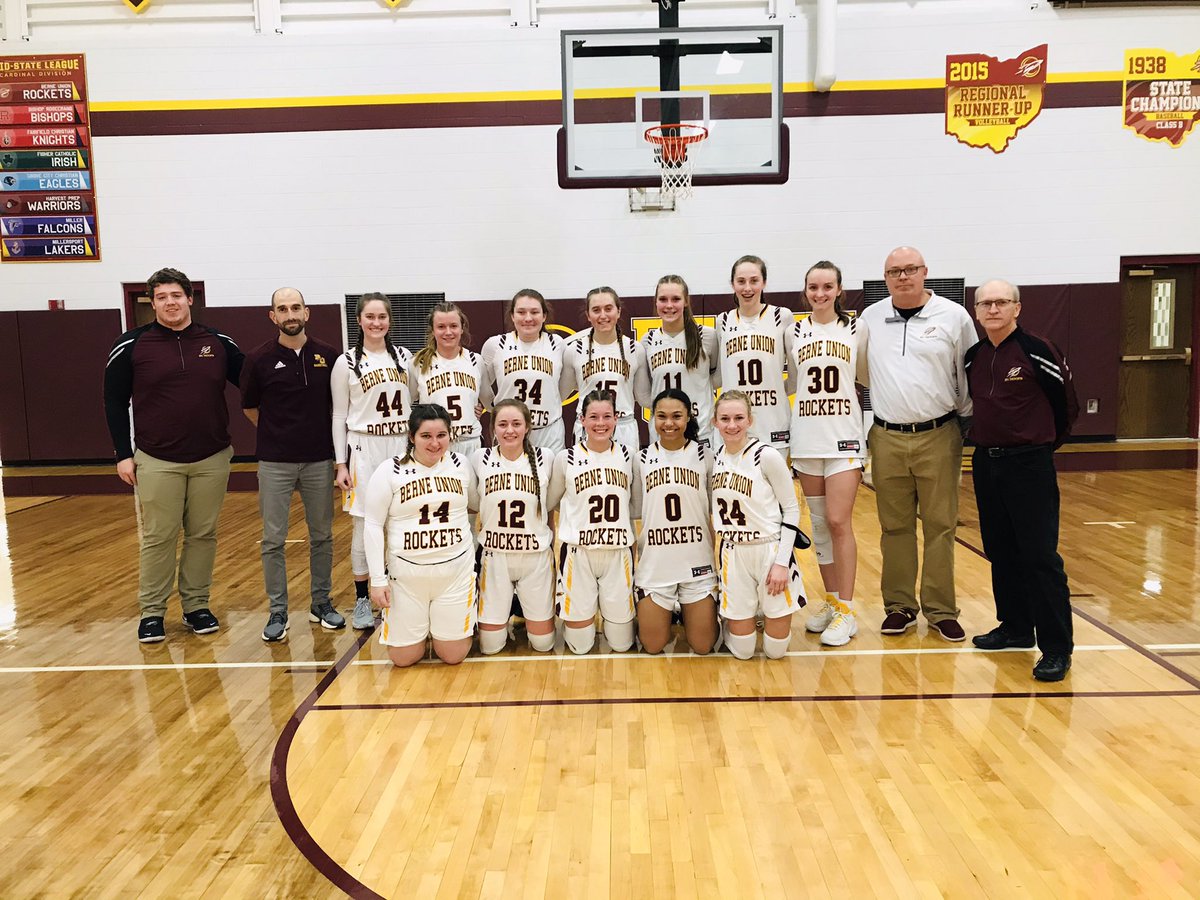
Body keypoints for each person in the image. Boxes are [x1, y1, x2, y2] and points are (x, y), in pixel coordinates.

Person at [103, 267, 243, 643]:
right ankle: (152, 612)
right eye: (161, 297)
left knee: (202, 534)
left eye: (176, 295)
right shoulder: (131, 345)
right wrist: (122, 453)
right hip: (157, 459)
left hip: (211, 458)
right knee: (159, 536)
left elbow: (255, 385)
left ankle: (196, 606)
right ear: (153, 302)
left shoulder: (217, 343)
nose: (170, 303)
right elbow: (114, 402)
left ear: (190, 298)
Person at [858, 246, 977, 641]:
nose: (902, 277)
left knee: (941, 526)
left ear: (925, 272)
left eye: (910, 269)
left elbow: (968, 372)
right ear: (885, 277)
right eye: (894, 271)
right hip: (887, 436)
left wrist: (959, 422)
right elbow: (862, 373)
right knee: (895, 527)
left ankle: (942, 609)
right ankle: (900, 606)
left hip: (940, 434)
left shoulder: (953, 316)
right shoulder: (871, 318)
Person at [966, 279, 1079, 682]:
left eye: (1001, 302)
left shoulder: (1038, 349)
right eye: (985, 303)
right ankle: (1015, 627)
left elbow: (1066, 404)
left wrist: (1041, 446)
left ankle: (1056, 648)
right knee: (1000, 549)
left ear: (1017, 308)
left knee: (1039, 556)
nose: (993, 309)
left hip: (1030, 464)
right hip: (986, 462)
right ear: (976, 311)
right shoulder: (973, 356)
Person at [240, 287, 344, 642]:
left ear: (307, 312)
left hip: (319, 460)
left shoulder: (329, 357)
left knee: (322, 536)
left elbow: (339, 407)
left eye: (295, 307)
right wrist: (278, 434)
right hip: (275, 463)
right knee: (273, 539)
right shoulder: (257, 359)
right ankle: (278, 611)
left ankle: (321, 603)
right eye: (282, 309)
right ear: (273, 316)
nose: (290, 314)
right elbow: (250, 408)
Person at [364, 403, 479, 667]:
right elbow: (372, 524)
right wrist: (378, 581)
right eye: (426, 436)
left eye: (441, 435)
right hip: (406, 577)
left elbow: (475, 504)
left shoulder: (461, 465)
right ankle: (424, 626)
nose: (435, 443)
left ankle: (441, 624)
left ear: (451, 435)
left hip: (454, 573)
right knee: (404, 659)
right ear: (411, 437)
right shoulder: (390, 470)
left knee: (453, 655)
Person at [789, 261, 866, 647]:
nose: (820, 293)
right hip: (806, 438)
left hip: (844, 439)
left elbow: (866, 375)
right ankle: (834, 603)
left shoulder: (856, 328)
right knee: (819, 526)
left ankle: (849, 610)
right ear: (806, 291)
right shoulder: (794, 331)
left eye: (827, 286)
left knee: (839, 521)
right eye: (813, 287)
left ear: (839, 289)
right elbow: (790, 376)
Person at [332, 293, 412, 630]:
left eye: (382, 317)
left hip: (400, 444)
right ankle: (362, 598)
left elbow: (419, 403)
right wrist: (340, 463)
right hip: (363, 449)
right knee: (363, 525)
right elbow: (338, 415)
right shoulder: (346, 362)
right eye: (370, 317)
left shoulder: (405, 358)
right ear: (359, 321)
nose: (376, 323)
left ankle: (398, 591)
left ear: (389, 320)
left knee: (401, 519)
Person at [710, 391, 806, 659]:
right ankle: (733, 621)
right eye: (725, 418)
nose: (732, 425)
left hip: (769, 550)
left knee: (775, 652)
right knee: (743, 651)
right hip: (733, 553)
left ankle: (754, 614)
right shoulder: (714, 459)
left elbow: (791, 509)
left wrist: (782, 563)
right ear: (715, 422)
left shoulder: (767, 456)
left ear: (750, 420)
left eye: (739, 418)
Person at [547, 388, 640, 654]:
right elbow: (551, 502)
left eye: (607, 416)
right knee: (579, 646)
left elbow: (635, 507)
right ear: (582, 420)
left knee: (622, 644)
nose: (601, 423)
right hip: (579, 554)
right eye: (594, 417)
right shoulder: (566, 458)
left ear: (616, 418)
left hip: (617, 553)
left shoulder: (629, 456)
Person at [635, 389, 719, 654]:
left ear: (688, 417)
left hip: (696, 564)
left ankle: (688, 608)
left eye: (676, 416)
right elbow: (637, 511)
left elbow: (712, 511)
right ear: (652, 418)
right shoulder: (641, 459)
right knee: (652, 645)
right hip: (656, 565)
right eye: (661, 416)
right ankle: (669, 608)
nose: (668, 423)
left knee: (703, 645)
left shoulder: (705, 456)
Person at [472, 399, 557, 654]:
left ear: (528, 427)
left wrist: (549, 542)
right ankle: (507, 604)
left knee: (543, 644)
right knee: (490, 646)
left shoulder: (546, 458)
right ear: (493, 428)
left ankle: (519, 604)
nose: (510, 430)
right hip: (495, 557)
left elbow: (549, 506)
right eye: (503, 424)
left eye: (516, 424)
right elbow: (474, 505)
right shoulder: (479, 458)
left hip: (535, 557)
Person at [715, 255, 795, 452]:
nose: (747, 288)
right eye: (741, 281)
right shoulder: (723, 321)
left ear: (764, 282)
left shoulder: (782, 316)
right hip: (734, 425)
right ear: (732, 284)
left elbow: (795, 378)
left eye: (754, 281)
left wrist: (773, 389)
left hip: (773, 422)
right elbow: (719, 375)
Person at [481, 289, 570, 452]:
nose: (528, 318)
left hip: (549, 431)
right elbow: (481, 386)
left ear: (544, 316)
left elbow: (563, 387)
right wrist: (493, 409)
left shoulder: (557, 344)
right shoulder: (495, 345)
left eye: (534, 312)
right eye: (521, 312)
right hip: (510, 432)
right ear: (512, 316)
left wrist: (552, 402)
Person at [637, 275, 720, 448]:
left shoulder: (706, 336)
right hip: (662, 432)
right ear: (656, 303)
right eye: (663, 299)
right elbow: (645, 396)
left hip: (701, 430)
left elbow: (716, 380)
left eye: (675, 299)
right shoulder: (647, 341)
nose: (669, 305)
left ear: (686, 301)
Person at [562, 287, 648, 448]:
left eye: (608, 309)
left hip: (624, 425)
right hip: (588, 427)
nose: (603, 315)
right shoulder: (574, 350)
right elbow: (559, 395)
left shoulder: (635, 349)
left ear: (619, 311)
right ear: (588, 315)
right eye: (596, 310)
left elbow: (644, 398)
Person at [406, 302, 484, 456]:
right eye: (441, 327)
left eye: (453, 326)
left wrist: (475, 407)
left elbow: (488, 400)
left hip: (470, 442)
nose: (448, 332)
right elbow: (406, 402)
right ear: (433, 330)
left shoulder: (476, 361)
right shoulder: (417, 363)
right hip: (435, 445)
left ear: (462, 328)